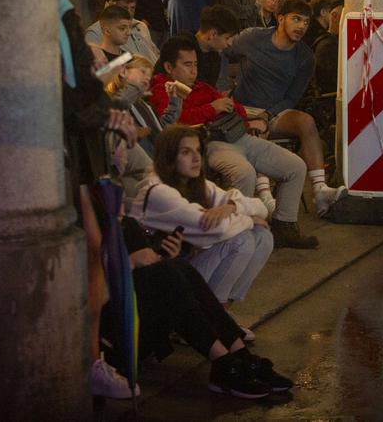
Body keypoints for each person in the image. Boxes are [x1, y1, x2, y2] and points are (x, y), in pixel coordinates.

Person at [56, 0, 140, 399]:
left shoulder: (62, 7)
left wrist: (101, 102)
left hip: (80, 139)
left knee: (94, 249)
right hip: (62, 142)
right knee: (88, 246)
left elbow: (78, 77)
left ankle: (91, 357)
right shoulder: (45, 9)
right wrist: (103, 110)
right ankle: (84, 358)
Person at [148, 37, 316, 249]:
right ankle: (238, 233)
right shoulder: (163, 90)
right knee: (244, 172)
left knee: (295, 166)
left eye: (196, 65)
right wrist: (213, 109)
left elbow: (237, 107)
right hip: (209, 142)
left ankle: (284, 225)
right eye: (187, 65)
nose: (193, 71)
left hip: (238, 135)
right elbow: (173, 123)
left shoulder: (202, 87)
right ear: (169, 67)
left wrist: (233, 111)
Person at [118, 208, 292, 398]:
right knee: (167, 273)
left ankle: (239, 356)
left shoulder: (127, 224)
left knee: (175, 267)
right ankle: (224, 363)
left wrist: (162, 257)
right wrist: (130, 263)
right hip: (117, 328)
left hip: (144, 307)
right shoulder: (154, 193)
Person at [228, 0, 347, 216]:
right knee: (256, 130)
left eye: (306, 22)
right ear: (280, 18)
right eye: (296, 19)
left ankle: (320, 190)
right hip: (242, 109)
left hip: (275, 111)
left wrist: (267, 114)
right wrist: (223, 93)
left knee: (306, 121)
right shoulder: (252, 38)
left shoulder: (305, 56)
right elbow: (222, 51)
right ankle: (265, 197)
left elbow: (292, 97)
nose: (302, 26)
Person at [135, 126, 273, 315]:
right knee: (242, 239)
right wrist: (249, 219)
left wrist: (232, 206)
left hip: (183, 266)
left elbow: (261, 208)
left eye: (198, 150)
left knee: (263, 237)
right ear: (168, 157)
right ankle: (209, 317)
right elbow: (216, 229)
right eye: (186, 152)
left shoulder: (198, 184)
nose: (196, 158)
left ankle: (221, 313)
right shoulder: (157, 191)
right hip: (157, 279)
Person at [154, 4, 241, 89]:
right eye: (227, 38)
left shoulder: (214, 57)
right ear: (212, 34)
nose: (229, 43)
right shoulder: (178, 47)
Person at [85, 0, 160, 64]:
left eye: (132, 8)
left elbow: (155, 54)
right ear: (112, 6)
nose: (129, 13)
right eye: (124, 8)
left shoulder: (140, 26)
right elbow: (95, 68)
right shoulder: (94, 33)